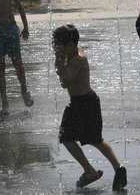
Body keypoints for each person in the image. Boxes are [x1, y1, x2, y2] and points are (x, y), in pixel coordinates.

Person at [53, 24, 128, 190]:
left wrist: (59, 64)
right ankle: (118, 167)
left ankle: (89, 171)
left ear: (71, 45)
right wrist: (61, 60)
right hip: (88, 101)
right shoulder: (74, 53)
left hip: (82, 103)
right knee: (96, 139)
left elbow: (66, 82)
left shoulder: (77, 59)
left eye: (61, 46)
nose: (59, 49)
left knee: (66, 137)